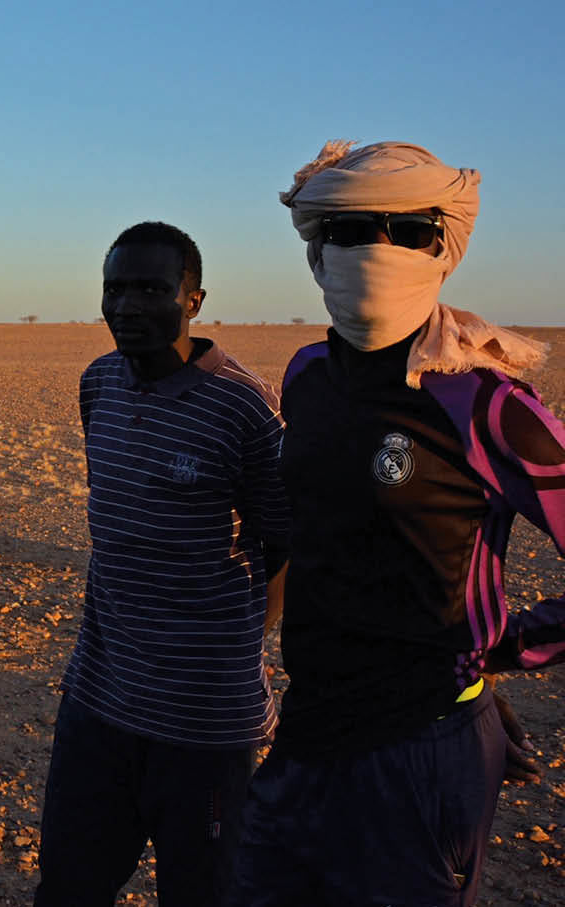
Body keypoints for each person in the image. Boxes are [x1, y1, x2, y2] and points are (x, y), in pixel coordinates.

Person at [228, 142, 565, 907]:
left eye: (402, 228)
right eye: (348, 229)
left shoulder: (487, 404)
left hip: (422, 749)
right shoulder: (308, 374)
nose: (372, 248)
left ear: (440, 247)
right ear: (317, 249)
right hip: (308, 730)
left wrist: (501, 651)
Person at [35, 222, 289, 907]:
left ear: (194, 297)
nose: (127, 306)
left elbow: (282, 545)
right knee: (65, 886)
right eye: (114, 289)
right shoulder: (99, 387)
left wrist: (234, 643)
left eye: (151, 288)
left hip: (203, 727)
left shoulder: (245, 407)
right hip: (98, 702)